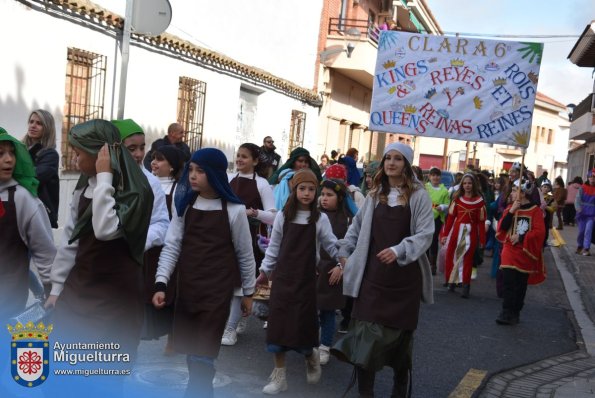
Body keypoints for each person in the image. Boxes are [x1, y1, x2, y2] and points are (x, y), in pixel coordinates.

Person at [331, 142, 434, 398]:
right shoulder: (375, 195)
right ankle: (366, 393)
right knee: (365, 339)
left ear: (407, 165)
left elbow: (425, 234)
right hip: (373, 277)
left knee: (399, 342)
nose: (391, 163)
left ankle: (400, 386)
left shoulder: (419, 196)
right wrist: (344, 251)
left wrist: (399, 250)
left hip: (403, 281)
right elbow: (356, 228)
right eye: (388, 158)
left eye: (398, 159)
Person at [47, 120, 153, 367]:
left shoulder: (137, 191)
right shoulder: (83, 187)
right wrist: (56, 288)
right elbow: (70, 240)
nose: (74, 160)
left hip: (116, 297)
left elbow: (105, 230)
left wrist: (105, 177)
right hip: (80, 287)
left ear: (98, 155)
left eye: (78, 153)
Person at [153, 148, 255, 397]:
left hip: (216, 293)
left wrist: (248, 292)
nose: (193, 176)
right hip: (188, 289)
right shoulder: (185, 205)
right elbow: (172, 245)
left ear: (215, 174)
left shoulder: (234, 210)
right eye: (191, 170)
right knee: (191, 349)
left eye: (200, 171)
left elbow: (245, 254)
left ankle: (199, 390)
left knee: (204, 352)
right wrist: (161, 283)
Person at [256, 169, 338, 395]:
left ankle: (310, 356)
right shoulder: (283, 216)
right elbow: (274, 247)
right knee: (278, 328)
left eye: (312, 189)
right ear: (294, 190)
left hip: (306, 281)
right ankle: (279, 376)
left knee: (303, 326)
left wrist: (344, 257)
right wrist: (264, 271)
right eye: (302, 188)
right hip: (282, 279)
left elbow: (331, 244)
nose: (307, 193)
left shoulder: (319, 218)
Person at [222, 143, 276, 346]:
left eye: (244, 156)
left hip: (252, 237)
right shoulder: (228, 179)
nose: (239, 159)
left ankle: (230, 328)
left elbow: (273, 216)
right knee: (229, 280)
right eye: (238, 155)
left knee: (240, 281)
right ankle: (237, 319)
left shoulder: (262, 184)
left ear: (255, 161)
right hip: (227, 236)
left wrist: (253, 213)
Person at [0, 129, 56, 322]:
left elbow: (45, 251)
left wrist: (51, 290)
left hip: (8, 304)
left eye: (11, 152)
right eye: (0, 154)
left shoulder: (23, 198)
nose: (8, 160)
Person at [495, 179, 546, 325]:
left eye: (514, 190)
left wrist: (522, 237)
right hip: (509, 250)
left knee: (520, 285)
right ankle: (506, 312)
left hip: (524, 251)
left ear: (522, 193)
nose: (511, 193)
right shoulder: (510, 208)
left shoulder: (535, 211)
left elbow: (539, 232)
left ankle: (515, 312)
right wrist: (511, 211)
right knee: (508, 282)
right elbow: (503, 227)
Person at [317, 178, 355, 365]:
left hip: (334, 271)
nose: (324, 198)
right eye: (322, 194)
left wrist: (341, 267)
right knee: (310, 308)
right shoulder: (315, 215)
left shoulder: (348, 219)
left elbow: (350, 246)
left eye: (329, 195)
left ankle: (325, 347)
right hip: (315, 269)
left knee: (328, 310)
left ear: (340, 198)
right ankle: (311, 343)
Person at [440, 173, 486, 298]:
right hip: (456, 232)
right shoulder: (457, 199)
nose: (467, 186)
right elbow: (450, 219)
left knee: (467, 259)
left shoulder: (479, 201)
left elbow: (481, 223)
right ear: (462, 185)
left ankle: (466, 285)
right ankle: (452, 282)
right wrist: (445, 234)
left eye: (469, 183)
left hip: (471, 234)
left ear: (473, 185)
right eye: (465, 183)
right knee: (451, 255)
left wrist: (482, 239)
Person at [22, 109, 59, 228]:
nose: (33, 125)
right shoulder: (21, 149)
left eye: (39, 123)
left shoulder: (50, 155)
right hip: (22, 209)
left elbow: (33, 178)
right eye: (31, 121)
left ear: (47, 128)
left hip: (40, 213)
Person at [425, 167, 450, 275]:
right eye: (433, 175)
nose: (435, 177)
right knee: (424, 238)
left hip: (437, 218)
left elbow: (448, 204)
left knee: (434, 240)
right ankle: (424, 262)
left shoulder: (444, 190)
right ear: (429, 177)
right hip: (425, 216)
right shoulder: (425, 187)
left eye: (437, 175)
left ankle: (432, 265)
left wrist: (443, 207)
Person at [575, 168, 595, 256]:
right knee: (581, 231)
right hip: (582, 213)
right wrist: (578, 208)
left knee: (588, 230)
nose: (592, 178)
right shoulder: (582, 187)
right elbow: (577, 199)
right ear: (588, 177)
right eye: (591, 177)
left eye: (594, 177)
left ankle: (586, 248)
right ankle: (580, 245)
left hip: (592, 214)